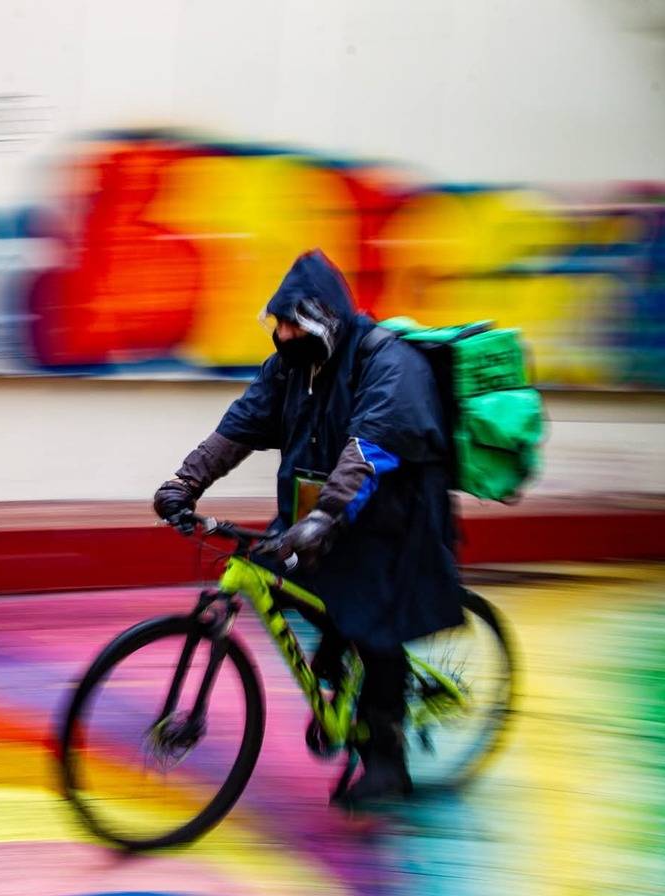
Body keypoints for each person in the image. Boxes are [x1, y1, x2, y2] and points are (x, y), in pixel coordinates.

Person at [153, 249, 462, 806]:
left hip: (391, 522)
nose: (283, 334)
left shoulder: (388, 364)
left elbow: (369, 450)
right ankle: (341, 661)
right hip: (319, 515)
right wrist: (185, 482)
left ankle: (387, 758)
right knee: (278, 572)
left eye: (292, 323)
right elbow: (239, 428)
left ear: (324, 319)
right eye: (278, 324)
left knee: (374, 624)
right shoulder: (291, 368)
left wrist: (325, 516)